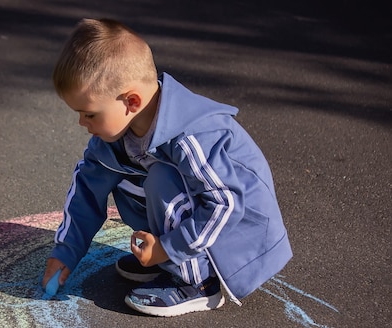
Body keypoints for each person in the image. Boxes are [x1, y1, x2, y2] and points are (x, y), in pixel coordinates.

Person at [42, 18, 292, 317]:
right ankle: (166, 262)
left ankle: (197, 283)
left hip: (240, 233)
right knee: (116, 174)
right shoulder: (117, 134)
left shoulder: (192, 135)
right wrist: (66, 251)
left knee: (161, 176)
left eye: (90, 114)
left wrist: (168, 247)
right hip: (203, 221)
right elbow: (87, 188)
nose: (82, 124)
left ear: (131, 101)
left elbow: (226, 204)